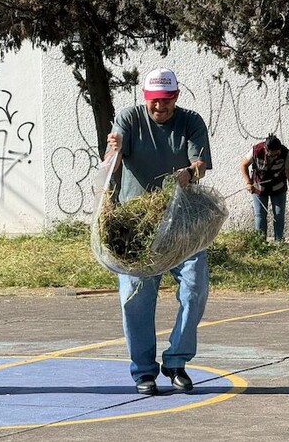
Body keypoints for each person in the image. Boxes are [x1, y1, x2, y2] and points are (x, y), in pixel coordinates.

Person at [103, 68, 211, 395]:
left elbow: (201, 165)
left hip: (182, 223)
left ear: (175, 97)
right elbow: (113, 156)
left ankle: (177, 360)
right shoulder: (129, 118)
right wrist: (114, 149)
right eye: (153, 101)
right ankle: (144, 372)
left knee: (195, 288)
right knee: (134, 297)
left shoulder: (191, 121)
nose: (159, 107)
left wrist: (188, 175)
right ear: (144, 98)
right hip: (136, 226)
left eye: (165, 101)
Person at [240, 134, 289, 241]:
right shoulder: (256, 150)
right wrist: (248, 182)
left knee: (279, 215)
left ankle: (278, 243)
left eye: (277, 154)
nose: (274, 157)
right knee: (260, 216)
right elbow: (243, 164)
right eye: (271, 155)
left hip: (278, 188)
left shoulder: (286, 153)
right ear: (266, 149)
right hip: (259, 188)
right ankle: (260, 243)